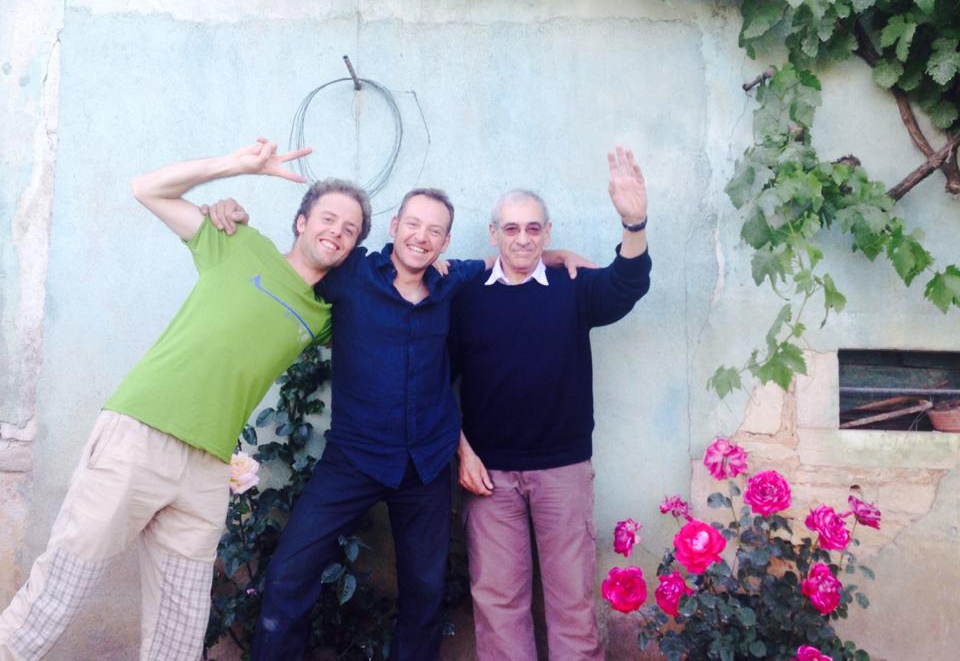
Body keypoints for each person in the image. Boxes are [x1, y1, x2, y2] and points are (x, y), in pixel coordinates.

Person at [0, 139, 370, 661]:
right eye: (328, 218)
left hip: (208, 469)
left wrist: (441, 274)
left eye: (348, 229)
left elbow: (396, 307)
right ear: (302, 221)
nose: (335, 231)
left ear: (352, 246)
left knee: (179, 631)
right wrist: (237, 168)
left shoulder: (323, 316)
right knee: (60, 587)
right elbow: (146, 189)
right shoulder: (236, 241)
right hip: (143, 431)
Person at [205, 188, 587, 661]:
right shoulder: (352, 275)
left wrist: (551, 253)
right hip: (353, 458)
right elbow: (294, 264)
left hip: (424, 466)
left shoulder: (455, 283)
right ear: (394, 227)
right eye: (413, 224)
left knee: (424, 594)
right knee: (289, 571)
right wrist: (229, 223)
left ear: (446, 242)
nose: (421, 237)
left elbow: (511, 260)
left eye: (434, 230)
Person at [449, 146, 652, 661]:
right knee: (497, 603)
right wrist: (461, 449)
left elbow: (627, 285)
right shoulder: (465, 291)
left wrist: (634, 223)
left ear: (548, 232)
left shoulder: (572, 287)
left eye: (533, 229)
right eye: (511, 228)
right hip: (488, 475)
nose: (523, 238)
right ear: (493, 233)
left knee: (572, 603)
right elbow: (432, 381)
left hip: (562, 470)